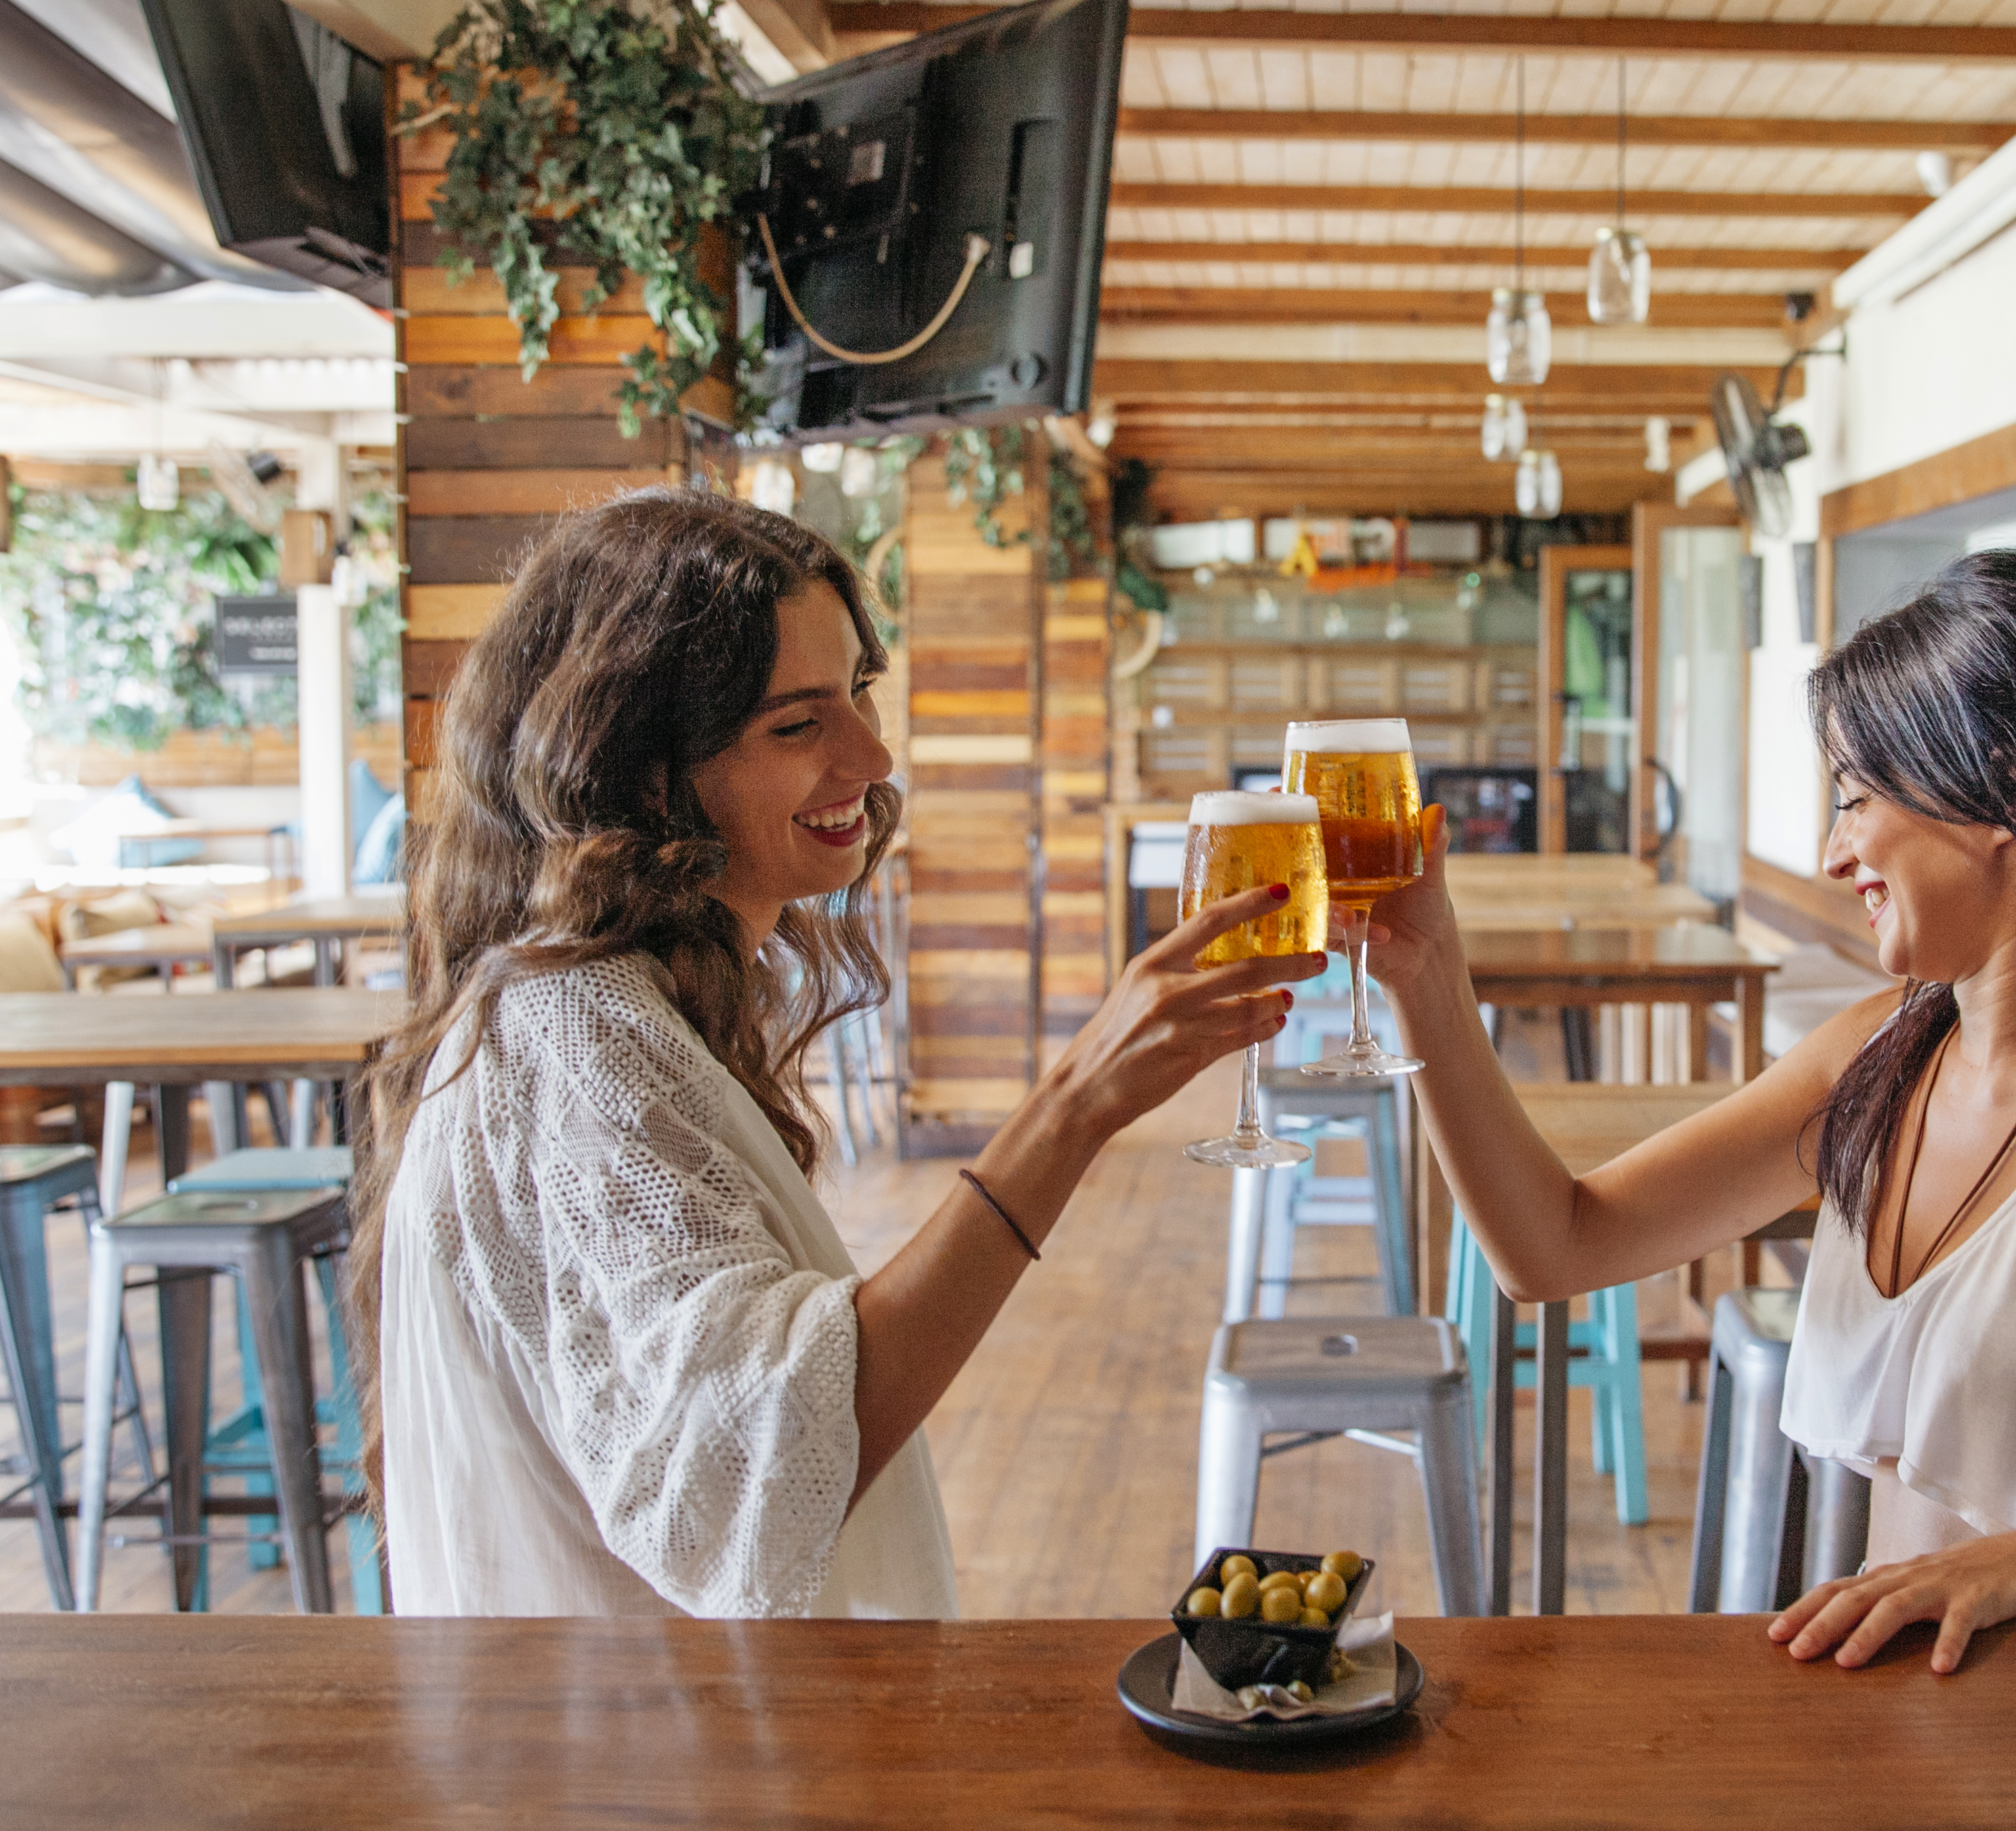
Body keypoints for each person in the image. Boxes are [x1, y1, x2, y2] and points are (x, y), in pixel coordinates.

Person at [1365, 550, 2016, 1672]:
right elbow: (1554, 1245)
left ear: (2005, 790)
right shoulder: (1877, 1055)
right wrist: (1428, 982)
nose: (1832, 854)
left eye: (1855, 799)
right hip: (1896, 1739)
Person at [345, 488, 1321, 1617]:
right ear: (643, 772)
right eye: (797, 724)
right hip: (633, 1773)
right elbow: (748, 1469)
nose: (872, 752)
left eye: (859, 689)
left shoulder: (629, 995)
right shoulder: (576, 1035)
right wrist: (1073, 1106)